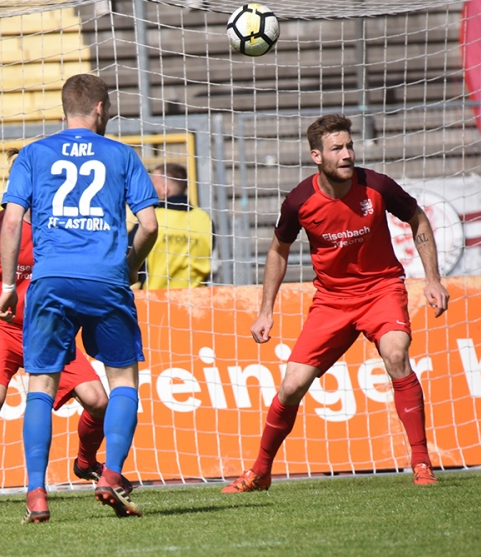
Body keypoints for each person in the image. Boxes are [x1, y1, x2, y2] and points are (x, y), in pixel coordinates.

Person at [222, 114, 450, 493]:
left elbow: (418, 219)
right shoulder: (299, 201)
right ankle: (260, 472)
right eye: (336, 149)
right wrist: (265, 311)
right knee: (291, 386)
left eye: (349, 146)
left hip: (381, 289)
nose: (347, 155)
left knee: (396, 354)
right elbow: (278, 250)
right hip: (332, 301)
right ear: (317, 156)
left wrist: (433, 279)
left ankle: (421, 462)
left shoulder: (377, 186)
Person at [0, 74, 159, 521]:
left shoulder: (32, 154)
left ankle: (36, 493)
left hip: (50, 280)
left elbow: (11, 223)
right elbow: (149, 225)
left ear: (65, 108)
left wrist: (9, 285)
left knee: (41, 386)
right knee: (122, 382)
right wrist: (129, 266)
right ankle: (111, 475)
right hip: (106, 280)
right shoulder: (122, 155)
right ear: (101, 109)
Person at [0, 183, 133, 518]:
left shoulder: (66, 229)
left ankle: (85, 463)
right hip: (2, 329)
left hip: (50, 329)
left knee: (99, 402)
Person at [130, 162, 214, 289]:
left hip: (156, 297)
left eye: (152, 185)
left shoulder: (151, 219)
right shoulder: (204, 219)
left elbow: (130, 259)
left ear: (165, 189)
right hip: (196, 297)